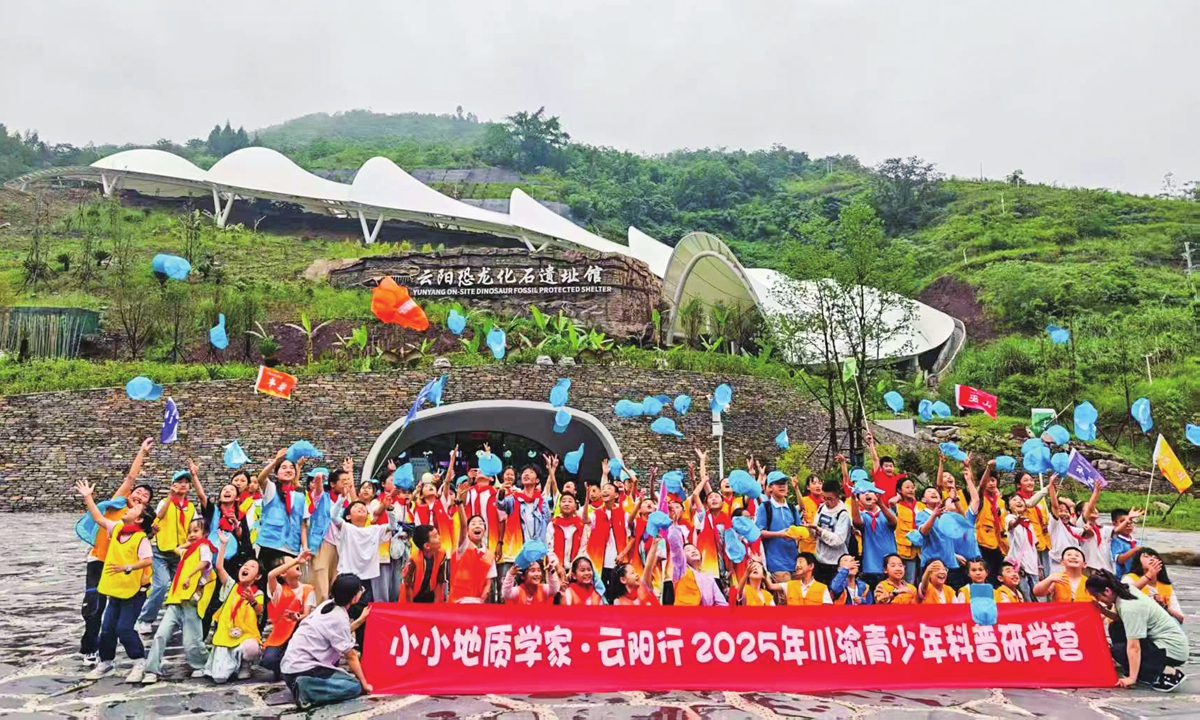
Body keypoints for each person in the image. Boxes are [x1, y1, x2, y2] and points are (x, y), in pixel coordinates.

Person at [79, 437, 153, 665]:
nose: (139, 495)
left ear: (143, 509)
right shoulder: (116, 505)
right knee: (93, 607)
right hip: (98, 560)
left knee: (109, 611)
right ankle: (89, 648)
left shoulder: (138, 526)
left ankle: (108, 650)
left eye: (145, 497)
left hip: (118, 567)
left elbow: (144, 551)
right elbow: (131, 477)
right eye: (138, 492)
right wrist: (142, 451)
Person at [280, 573, 373, 709]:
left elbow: (340, 635)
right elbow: (351, 655)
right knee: (353, 686)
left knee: (345, 677)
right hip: (303, 669)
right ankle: (308, 689)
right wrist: (364, 684)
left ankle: (306, 685)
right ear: (354, 598)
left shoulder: (327, 605)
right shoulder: (339, 617)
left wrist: (360, 620)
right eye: (360, 590)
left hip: (290, 670)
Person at [1087, 569, 1187, 692]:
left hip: (1173, 650)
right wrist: (1103, 611)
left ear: (1107, 591)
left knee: (1119, 650)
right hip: (1158, 642)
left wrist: (1131, 679)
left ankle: (1166, 672)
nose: (1099, 600)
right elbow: (1121, 619)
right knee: (1116, 627)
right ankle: (1142, 670)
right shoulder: (1124, 590)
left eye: (1097, 596)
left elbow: (1134, 646)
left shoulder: (1130, 607)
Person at [142, 518, 215, 684]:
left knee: (192, 641)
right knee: (161, 634)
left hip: (191, 601)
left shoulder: (205, 547)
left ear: (205, 534)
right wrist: (188, 544)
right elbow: (177, 549)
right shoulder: (188, 552)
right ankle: (152, 669)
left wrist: (190, 575)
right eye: (190, 531)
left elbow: (205, 563)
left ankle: (202, 664)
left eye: (196, 531)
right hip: (176, 601)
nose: (191, 534)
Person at [135, 468, 198, 635]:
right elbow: (159, 515)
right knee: (161, 585)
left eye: (186, 482)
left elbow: (194, 525)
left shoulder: (191, 507)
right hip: (160, 551)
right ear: (172, 485)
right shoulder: (165, 502)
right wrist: (171, 496)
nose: (183, 485)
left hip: (180, 553)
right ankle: (145, 619)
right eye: (179, 482)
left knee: (186, 585)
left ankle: (182, 618)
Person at [204, 531, 264, 683]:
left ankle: (245, 665)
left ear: (257, 576)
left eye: (252, 567)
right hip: (226, 635)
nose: (246, 567)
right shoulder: (230, 585)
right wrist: (223, 544)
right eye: (245, 565)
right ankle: (228, 664)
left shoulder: (257, 593)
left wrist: (252, 600)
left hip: (245, 636)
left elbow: (260, 611)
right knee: (219, 678)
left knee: (251, 648)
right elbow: (219, 567)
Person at [256, 449, 309, 587]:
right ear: (277, 473)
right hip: (270, 544)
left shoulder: (300, 496)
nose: (288, 470)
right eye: (284, 467)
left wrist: (305, 547)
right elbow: (260, 478)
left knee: (287, 587)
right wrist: (275, 460)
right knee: (266, 584)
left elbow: (302, 524)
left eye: (291, 468)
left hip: (291, 547)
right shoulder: (271, 489)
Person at [260, 551, 316, 681]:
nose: (297, 563)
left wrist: (297, 617)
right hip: (281, 633)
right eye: (291, 563)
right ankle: (282, 667)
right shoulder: (278, 590)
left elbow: (306, 614)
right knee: (269, 660)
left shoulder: (307, 589)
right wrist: (296, 560)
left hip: (300, 630)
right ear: (283, 573)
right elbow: (271, 575)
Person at [308, 462, 353, 604]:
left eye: (348, 481)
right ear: (332, 484)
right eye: (343, 481)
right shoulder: (322, 497)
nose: (347, 484)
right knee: (321, 577)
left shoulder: (347, 501)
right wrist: (319, 479)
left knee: (335, 580)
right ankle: (319, 611)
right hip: (324, 541)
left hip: (341, 545)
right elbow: (318, 489)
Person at [755, 471, 802, 604]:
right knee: (784, 601)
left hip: (795, 562)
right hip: (776, 562)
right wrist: (779, 534)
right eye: (778, 484)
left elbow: (799, 530)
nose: (782, 486)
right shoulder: (765, 507)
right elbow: (758, 532)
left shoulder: (792, 508)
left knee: (797, 600)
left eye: (784, 483)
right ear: (770, 487)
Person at [846, 473, 896, 590]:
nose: (867, 494)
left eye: (870, 491)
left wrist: (881, 504)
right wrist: (853, 499)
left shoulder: (886, 512)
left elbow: (893, 522)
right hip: (870, 565)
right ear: (859, 500)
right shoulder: (863, 516)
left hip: (890, 564)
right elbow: (857, 522)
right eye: (862, 493)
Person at [1004, 481, 1049, 601]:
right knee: (1025, 594)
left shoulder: (1029, 524)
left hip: (1032, 565)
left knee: (1037, 596)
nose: (1019, 501)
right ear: (1008, 506)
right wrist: (1018, 520)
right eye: (1014, 500)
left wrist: (1039, 566)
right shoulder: (1009, 518)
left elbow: (1033, 546)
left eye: (1020, 500)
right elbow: (1012, 525)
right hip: (1020, 566)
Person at [583, 477, 628, 590]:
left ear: (616, 495)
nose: (605, 491)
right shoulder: (596, 514)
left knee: (615, 593)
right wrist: (587, 498)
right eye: (603, 489)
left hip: (617, 561)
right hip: (599, 561)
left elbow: (632, 537)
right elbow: (584, 520)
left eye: (609, 488)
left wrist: (623, 554)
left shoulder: (624, 515)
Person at [1124, 548, 1185, 623]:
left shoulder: (1166, 586)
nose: (1152, 559)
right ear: (1138, 562)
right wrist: (1149, 575)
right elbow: (1124, 593)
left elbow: (1180, 618)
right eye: (1146, 556)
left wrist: (1164, 606)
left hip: (1160, 626)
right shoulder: (1130, 578)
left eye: (1155, 557)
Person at [447, 515, 496, 604]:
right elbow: (463, 525)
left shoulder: (490, 555)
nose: (477, 526)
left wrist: (482, 600)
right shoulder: (463, 548)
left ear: (484, 530)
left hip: (476, 604)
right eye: (473, 524)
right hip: (457, 603)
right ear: (467, 531)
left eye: (481, 524)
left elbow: (488, 584)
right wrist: (460, 505)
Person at [811, 479, 851, 585]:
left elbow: (839, 539)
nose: (826, 502)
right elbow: (815, 527)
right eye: (824, 498)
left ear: (838, 497)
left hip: (836, 562)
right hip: (820, 559)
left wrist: (821, 531)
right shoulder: (821, 508)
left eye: (830, 499)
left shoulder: (843, 513)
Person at [1014, 472, 1053, 579]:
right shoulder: (1017, 499)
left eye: (1031, 480)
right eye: (1026, 480)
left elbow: (1046, 515)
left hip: (1044, 541)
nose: (1030, 482)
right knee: (1035, 576)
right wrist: (1047, 488)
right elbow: (1030, 503)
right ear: (1018, 485)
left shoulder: (1039, 498)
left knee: (1048, 575)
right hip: (1030, 543)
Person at [975, 461, 1007, 584]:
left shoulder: (1000, 502)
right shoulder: (979, 499)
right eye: (988, 480)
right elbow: (981, 488)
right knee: (987, 576)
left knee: (999, 576)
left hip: (998, 543)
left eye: (993, 480)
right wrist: (988, 467)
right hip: (983, 543)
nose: (991, 483)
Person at [1046, 476, 1085, 575]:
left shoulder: (1072, 529)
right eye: (1060, 511)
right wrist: (1051, 486)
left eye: (1066, 511)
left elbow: (1083, 527)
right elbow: (1054, 506)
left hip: (1074, 565)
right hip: (1058, 565)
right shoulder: (1055, 525)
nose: (1063, 514)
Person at [401, 524, 448, 604]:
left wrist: (436, 606)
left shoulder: (442, 554)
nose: (440, 537)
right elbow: (408, 586)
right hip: (413, 597)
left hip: (430, 594)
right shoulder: (414, 559)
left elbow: (440, 581)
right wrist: (411, 609)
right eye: (436, 536)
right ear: (427, 546)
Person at [672, 542, 729, 607]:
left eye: (695, 549)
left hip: (706, 615)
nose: (693, 551)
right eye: (688, 550)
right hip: (686, 614)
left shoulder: (708, 578)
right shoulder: (681, 572)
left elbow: (721, 603)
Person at [608, 538, 660, 606]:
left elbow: (648, 566)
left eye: (635, 572)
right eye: (632, 573)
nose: (637, 575)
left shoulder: (644, 585)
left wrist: (654, 543)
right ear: (623, 580)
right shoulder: (619, 603)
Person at [889, 477, 921, 585]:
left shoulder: (920, 506)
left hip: (922, 549)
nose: (911, 490)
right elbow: (891, 502)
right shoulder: (897, 507)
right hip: (905, 549)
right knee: (909, 580)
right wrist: (898, 497)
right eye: (907, 487)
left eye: (912, 487)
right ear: (899, 490)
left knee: (922, 581)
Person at [865, 431, 906, 504]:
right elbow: (875, 459)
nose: (889, 468)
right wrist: (871, 443)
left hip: (894, 509)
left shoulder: (897, 479)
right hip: (881, 509)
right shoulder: (878, 475)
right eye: (886, 466)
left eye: (891, 466)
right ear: (881, 468)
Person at [794, 473, 824, 559]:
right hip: (807, 546)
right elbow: (801, 506)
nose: (818, 486)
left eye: (820, 483)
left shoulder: (827, 501)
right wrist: (796, 489)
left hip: (823, 546)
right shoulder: (804, 501)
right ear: (808, 487)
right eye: (814, 483)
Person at [1110, 508, 1141, 577]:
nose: (1128, 524)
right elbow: (1119, 560)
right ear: (1114, 523)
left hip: (1135, 577)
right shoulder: (1116, 541)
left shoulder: (1137, 542)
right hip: (1121, 578)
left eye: (1130, 522)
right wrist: (1134, 550)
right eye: (1123, 521)